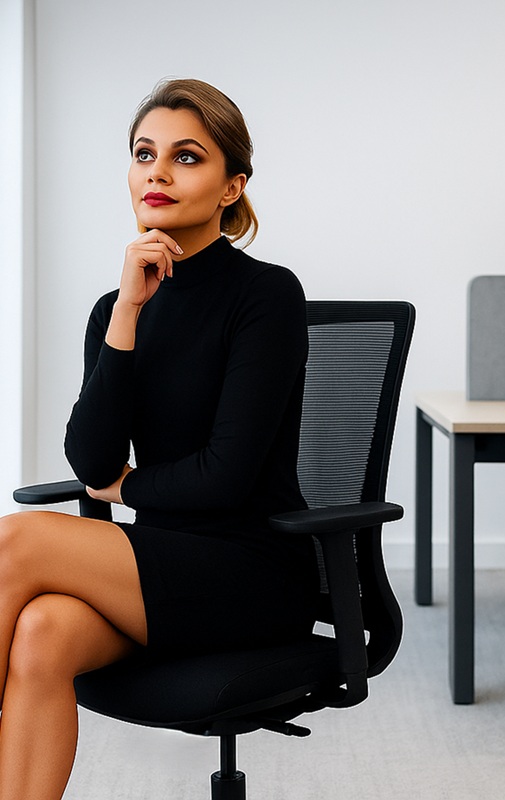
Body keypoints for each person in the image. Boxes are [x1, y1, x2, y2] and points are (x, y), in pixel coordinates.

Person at [0, 78, 317, 799]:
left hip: (250, 569)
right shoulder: (119, 305)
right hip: (158, 569)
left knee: (16, 540)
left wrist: (126, 489)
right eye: (145, 153)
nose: (158, 172)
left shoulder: (267, 296)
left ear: (232, 185)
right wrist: (126, 316)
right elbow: (90, 462)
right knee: (43, 629)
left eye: (187, 156)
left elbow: (226, 477)